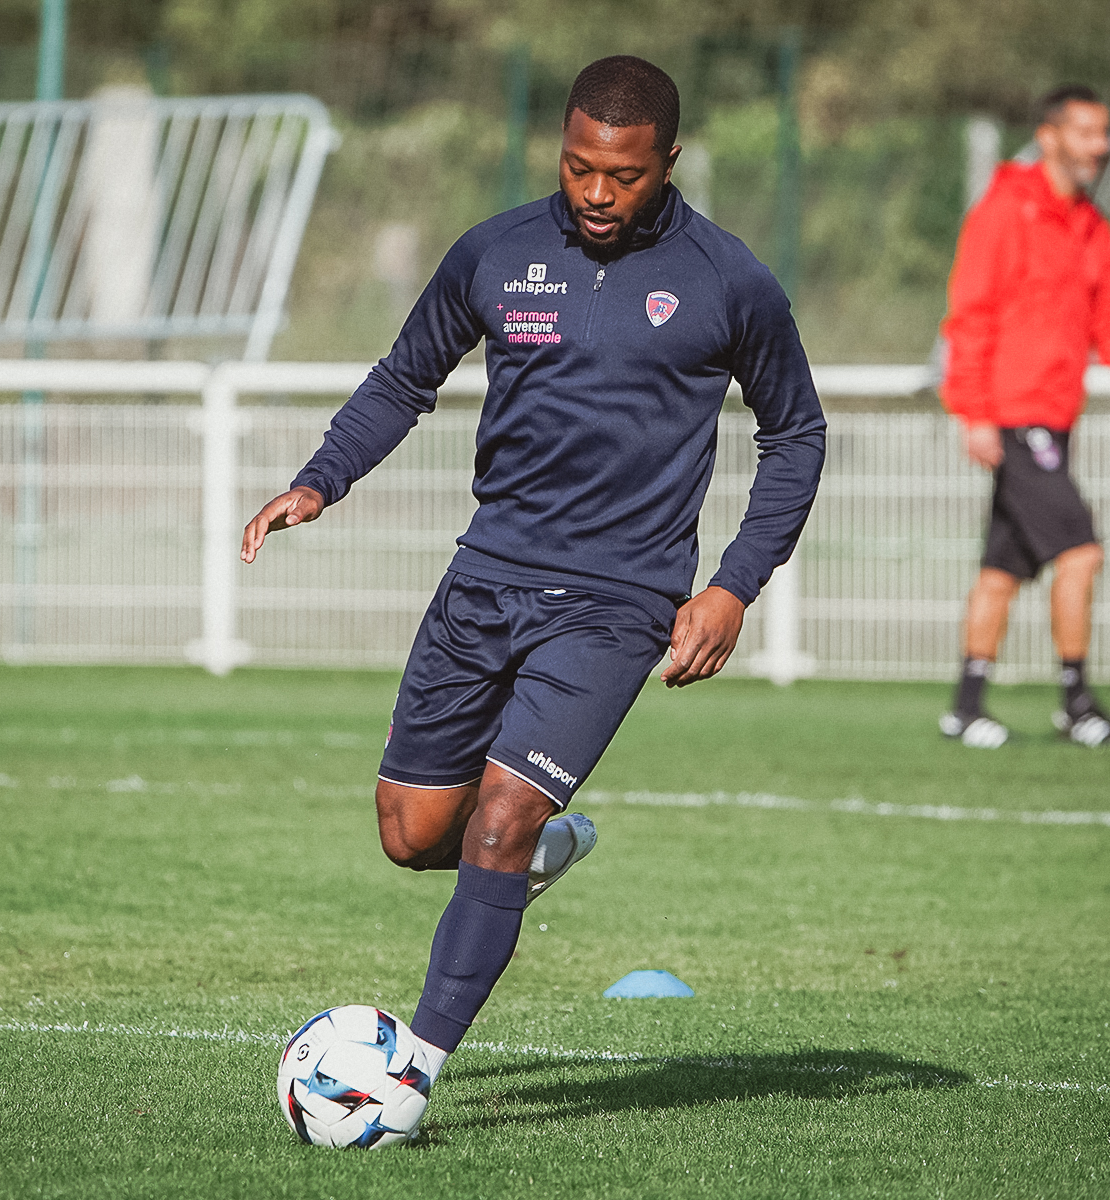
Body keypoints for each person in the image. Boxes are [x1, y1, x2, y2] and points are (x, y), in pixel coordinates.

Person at [241, 56, 826, 1095]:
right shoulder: (496, 253)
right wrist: (318, 481)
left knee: (502, 817)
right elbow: (402, 378)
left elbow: (796, 436)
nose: (597, 194)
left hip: (617, 603)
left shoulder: (727, 280)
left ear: (668, 163)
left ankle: (405, 1080)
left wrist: (733, 584)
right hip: (485, 582)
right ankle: (533, 860)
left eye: (624, 175)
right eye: (578, 167)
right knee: (413, 834)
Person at [938, 84, 1110, 751]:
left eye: (1104, 134)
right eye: (1086, 133)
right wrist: (974, 412)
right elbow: (970, 315)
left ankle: (966, 708)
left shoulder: (1090, 225)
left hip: (1054, 419)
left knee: (1003, 569)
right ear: (1050, 135)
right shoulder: (1005, 211)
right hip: (1014, 419)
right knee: (1079, 553)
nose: (1100, 147)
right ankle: (1077, 704)